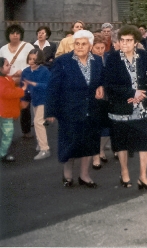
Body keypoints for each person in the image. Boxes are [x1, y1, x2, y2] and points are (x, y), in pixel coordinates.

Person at [45, 30, 104, 187]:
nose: (79, 47)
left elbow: (102, 79)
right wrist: (50, 110)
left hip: (91, 109)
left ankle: (84, 175)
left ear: (90, 45)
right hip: (69, 110)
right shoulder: (63, 61)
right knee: (70, 143)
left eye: (83, 44)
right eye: (77, 44)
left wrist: (101, 86)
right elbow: (53, 87)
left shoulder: (97, 61)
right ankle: (68, 175)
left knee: (89, 143)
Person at [104, 25, 147, 189]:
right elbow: (109, 84)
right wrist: (130, 93)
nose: (125, 43)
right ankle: (125, 172)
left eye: (129, 40)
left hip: (142, 108)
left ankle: (143, 176)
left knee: (144, 141)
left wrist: (143, 94)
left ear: (135, 42)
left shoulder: (143, 55)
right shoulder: (113, 58)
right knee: (121, 142)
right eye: (122, 40)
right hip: (121, 107)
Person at [1, 24, 36, 139]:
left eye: (17, 33)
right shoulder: (3, 49)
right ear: (8, 35)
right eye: (12, 33)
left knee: (24, 105)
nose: (15, 35)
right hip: (7, 81)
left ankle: (26, 131)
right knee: (7, 105)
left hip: (24, 79)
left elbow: (34, 61)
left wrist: (23, 70)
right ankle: (6, 132)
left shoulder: (27, 46)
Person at [21, 48, 52, 160]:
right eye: (30, 58)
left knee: (38, 122)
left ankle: (45, 148)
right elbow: (23, 87)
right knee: (39, 122)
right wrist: (24, 99)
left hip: (44, 99)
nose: (31, 61)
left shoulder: (44, 71)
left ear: (39, 60)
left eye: (34, 59)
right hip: (35, 99)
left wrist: (35, 84)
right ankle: (41, 142)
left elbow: (49, 86)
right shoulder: (26, 71)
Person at [90, 33, 111, 169]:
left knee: (107, 127)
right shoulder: (89, 60)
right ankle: (95, 154)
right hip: (94, 97)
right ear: (91, 47)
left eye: (102, 47)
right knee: (95, 127)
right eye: (97, 48)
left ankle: (101, 148)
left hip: (108, 96)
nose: (100, 50)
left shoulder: (109, 58)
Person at [0, 57, 26, 162]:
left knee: (5, 131)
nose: (9, 66)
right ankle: (3, 153)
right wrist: (21, 90)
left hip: (5, 111)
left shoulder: (6, 78)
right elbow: (8, 93)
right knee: (8, 132)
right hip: (5, 112)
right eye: (6, 65)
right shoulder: (2, 80)